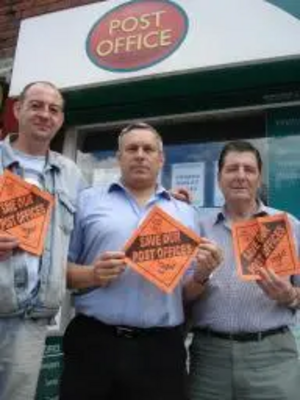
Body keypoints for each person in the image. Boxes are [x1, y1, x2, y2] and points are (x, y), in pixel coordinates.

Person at [59, 122, 222, 400]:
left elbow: (186, 292)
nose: (140, 155)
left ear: (161, 159)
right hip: (94, 343)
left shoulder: (185, 213)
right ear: (119, 157)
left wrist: (202, 276)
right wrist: (93, 275)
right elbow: (58, 272)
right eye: (131, 149)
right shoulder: (86, 202)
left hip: (160, 349)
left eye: (148, 149)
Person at [189, 140, 300, 400]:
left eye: (248, 169)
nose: (240, 176)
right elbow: (179, 296)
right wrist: (200, 276)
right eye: (232, 169)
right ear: (219, 178)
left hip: (273, 356)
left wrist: (290, 296)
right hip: (210, 358)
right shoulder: (197, 227)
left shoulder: (288, 226)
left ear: (259, 177)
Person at [0, 81, 84, 400]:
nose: (45, 114)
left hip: (29, 323)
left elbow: (98, 218)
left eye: (53, 109)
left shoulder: (71, 173)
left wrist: (162, 202)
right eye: (36, 105)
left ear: (61, 120)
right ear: (17, 109)